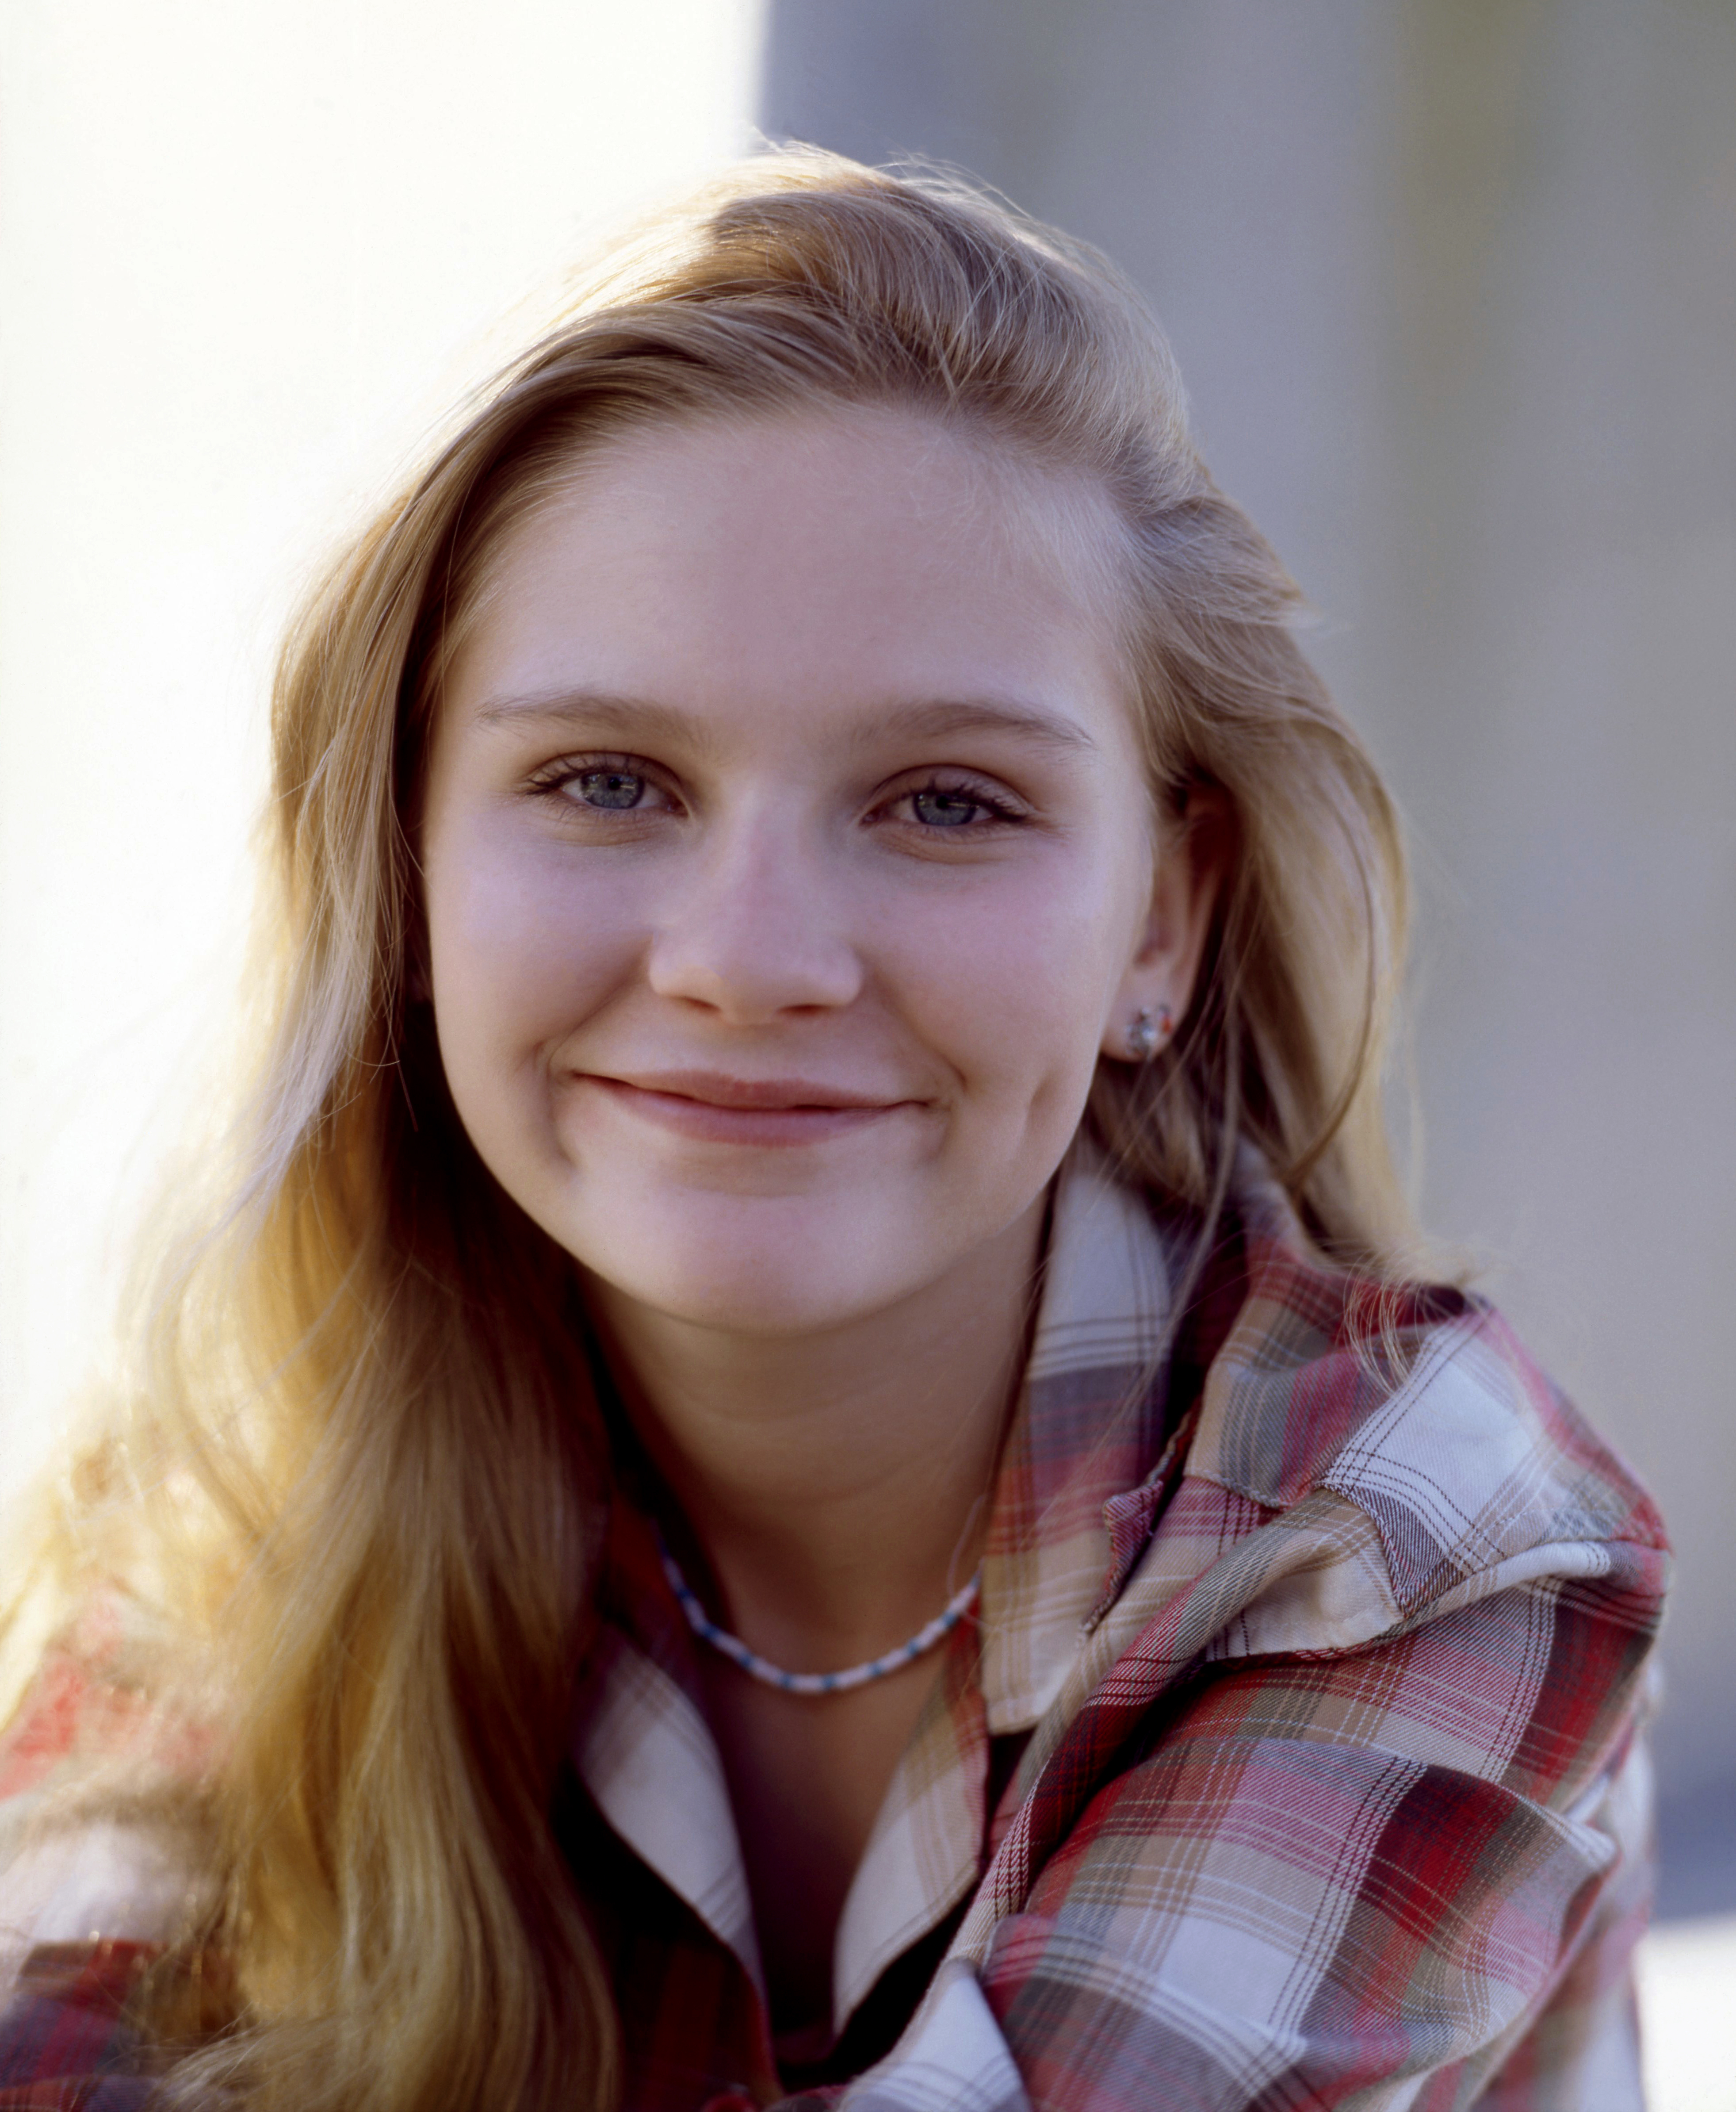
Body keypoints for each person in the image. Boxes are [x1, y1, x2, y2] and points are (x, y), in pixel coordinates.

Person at [0, 150, 1667, 2112]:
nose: (751, 961)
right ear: (408, 873)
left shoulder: (1409, 1541)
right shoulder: (243, 1494)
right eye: (608, 781)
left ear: (1159, 919)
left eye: (946, 803)